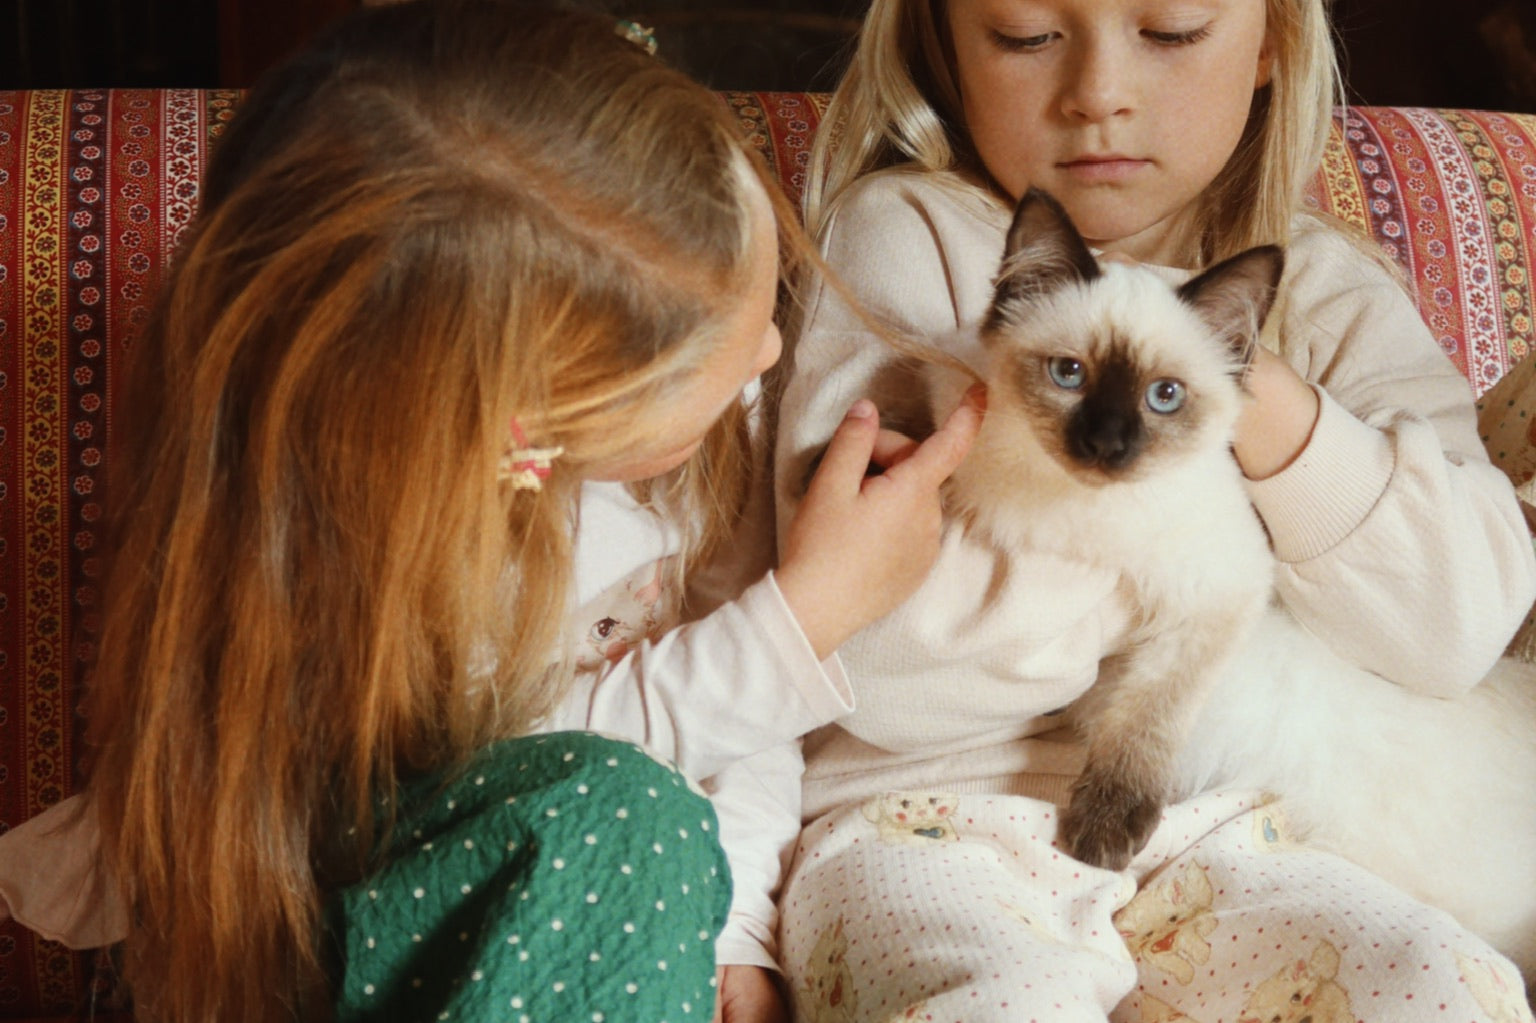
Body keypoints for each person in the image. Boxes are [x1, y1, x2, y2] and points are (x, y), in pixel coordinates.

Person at [0, 4, 987, 1022]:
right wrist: (801, 621)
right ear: (525, 415)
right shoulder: (381, 554)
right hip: (374, 946)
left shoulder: (692, 432)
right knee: (624, 817)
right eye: (706, 356)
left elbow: (735, 728)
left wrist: (734, 926)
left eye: (758, 303)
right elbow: (557, 768)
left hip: (607, 928)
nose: (766, 360)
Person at [772, 0, 1536, 1019]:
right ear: (942, 46)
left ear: (1269, 44)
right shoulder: (905, 237)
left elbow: (1453, 633)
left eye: (1171, 33)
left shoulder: (1327, 292)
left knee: (1437, 987)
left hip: (1223, 826)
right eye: (1027, 36)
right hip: (920, 815)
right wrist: (1202, 561)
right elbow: (865, 659)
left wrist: (1250, 388)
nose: (1099, 96)